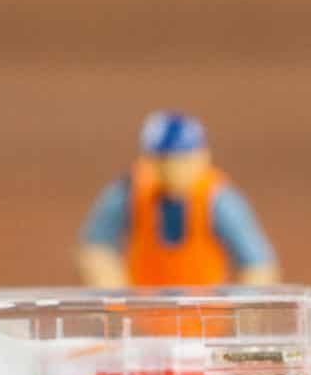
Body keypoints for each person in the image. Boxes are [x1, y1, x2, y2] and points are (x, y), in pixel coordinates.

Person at [76, 112, 280, 287]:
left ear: (202, 157)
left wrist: (245, 312)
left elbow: (257, 264)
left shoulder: (218, 200)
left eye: (181, 160)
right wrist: (117, 296)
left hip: (203, 320)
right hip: (144, 316)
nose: (172, 170)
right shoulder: (129, 192)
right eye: (163, 161)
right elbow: (96, 247)